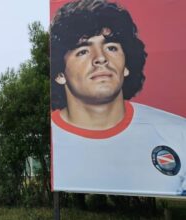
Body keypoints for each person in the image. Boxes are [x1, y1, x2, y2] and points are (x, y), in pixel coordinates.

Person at [50, 0, 186, 196]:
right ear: (59, 74)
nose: (100, 58)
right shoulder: (47, 139)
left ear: (127, 64)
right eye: (83, 51)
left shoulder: (179, 133)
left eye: (111, 47)